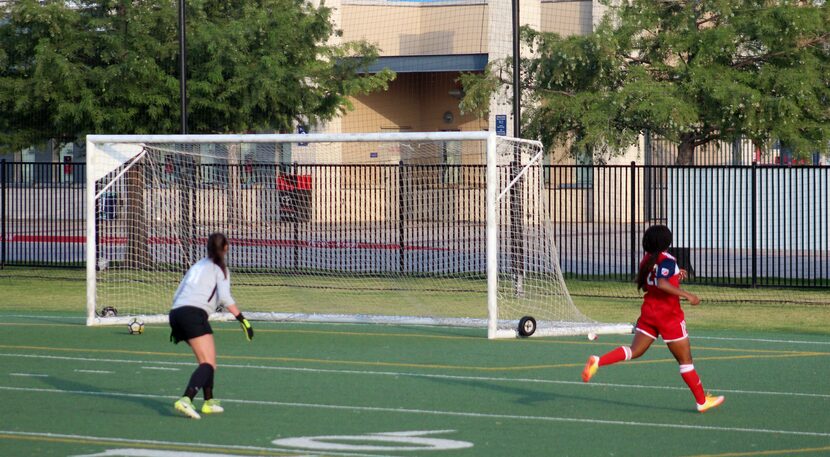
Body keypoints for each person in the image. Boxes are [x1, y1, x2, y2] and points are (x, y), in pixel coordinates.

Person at [581, 225, 724, 413]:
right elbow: (661, 282)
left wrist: (676, 274)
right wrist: (687, 294)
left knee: (635, 351)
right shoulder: (667, 260)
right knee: (685, 361)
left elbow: (652, 284)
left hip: (649, 313)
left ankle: (598, 361)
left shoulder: (647, 260)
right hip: (669, 317)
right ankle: (701, 401)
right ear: (667, 242)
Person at [169, 232, 254, 419]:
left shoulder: (198, 265)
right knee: (207, 363)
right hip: (193, 314)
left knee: (209, 362)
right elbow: (224, 297)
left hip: (178, 312)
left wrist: (177, 321)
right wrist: (242, 319)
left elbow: (178, 291)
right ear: (225, 248)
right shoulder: (220, 269)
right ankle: (186, 399)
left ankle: (209, 401)